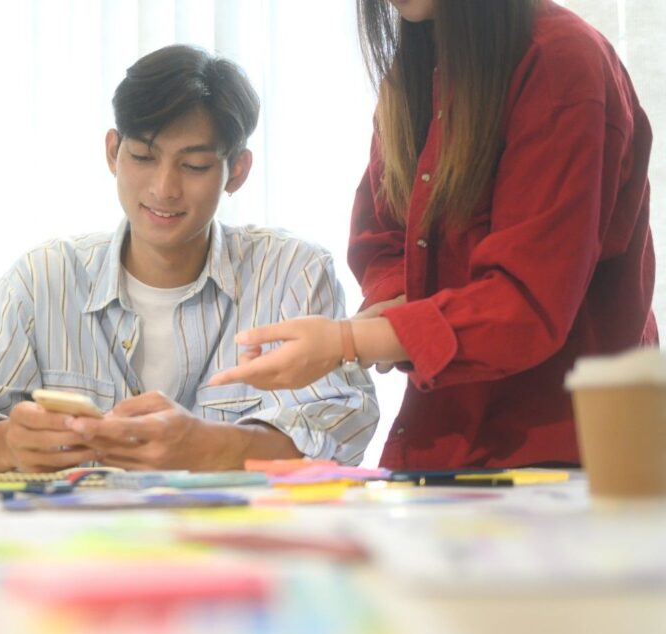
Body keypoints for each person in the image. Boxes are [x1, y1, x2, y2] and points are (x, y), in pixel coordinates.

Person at [211, 0, 657, 470]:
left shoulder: (561, 62)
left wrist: (351, 342)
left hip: (566, 452)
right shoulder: (419, 63)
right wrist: (392, 307)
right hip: (444, 442)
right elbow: (383, 233)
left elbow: (527, 303)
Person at [0, 45, 378, 475]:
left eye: (194, 165)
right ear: (113, 152)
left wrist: (210, 446)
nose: (163, 188)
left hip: (236, 550)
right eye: (142, 156)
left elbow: (343, 423)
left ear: (236, 171)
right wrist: (8, 444)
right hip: (73, 550)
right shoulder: (45, 278)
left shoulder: (291, 273)